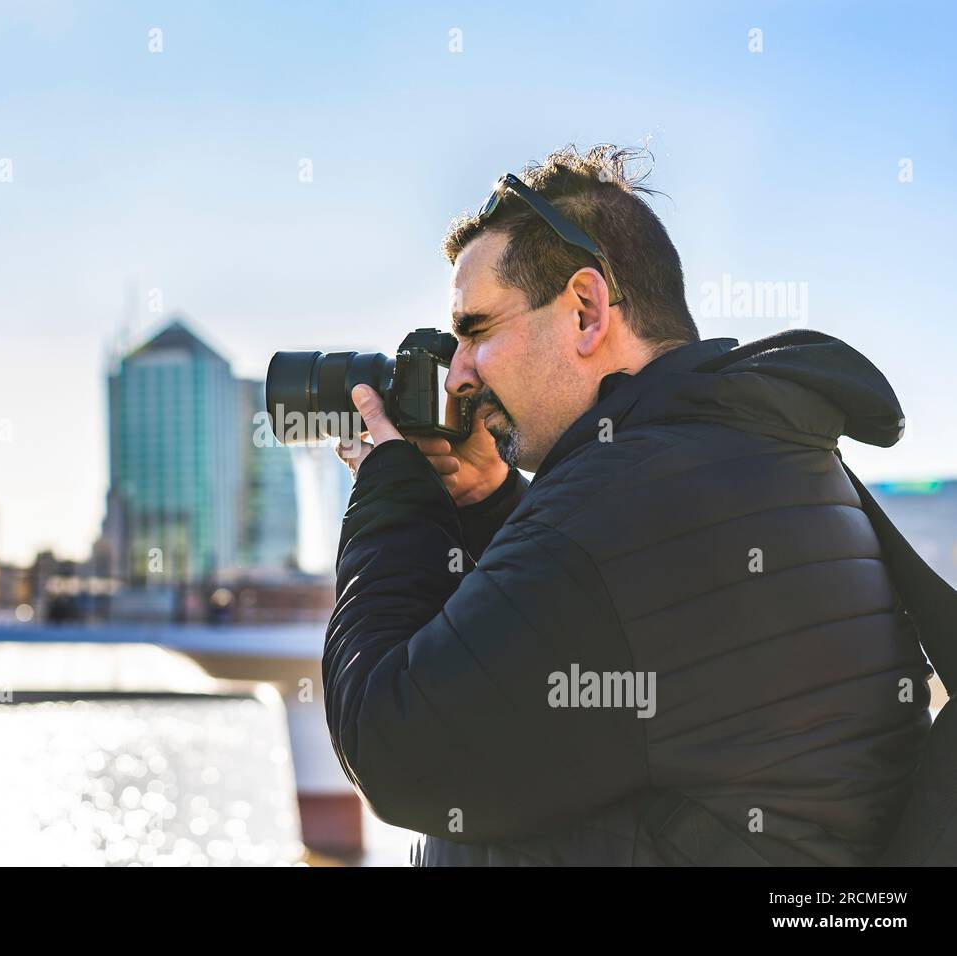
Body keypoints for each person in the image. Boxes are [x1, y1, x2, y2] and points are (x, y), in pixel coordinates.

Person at [325, 145, 931, 866]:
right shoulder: (743, 450)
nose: (458, 375)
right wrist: (492, 506)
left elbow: (393, 750)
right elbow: (586, 630)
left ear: (586, 310)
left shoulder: (632, 496)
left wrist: (391, 491)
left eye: (476, 331)